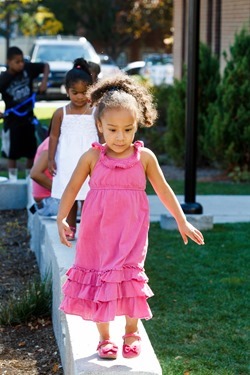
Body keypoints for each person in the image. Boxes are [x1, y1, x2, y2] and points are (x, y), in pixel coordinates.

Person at [57, 72, 205, 360]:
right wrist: (62, 217)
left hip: (131, 233)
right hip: (96, 234)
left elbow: (163, 190)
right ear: (99, 125)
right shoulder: (92, 158)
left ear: (136, 126)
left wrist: (181, 219)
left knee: (129, 279)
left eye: (128, 129)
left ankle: (131, 332)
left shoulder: (144, 157)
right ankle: (104, 339)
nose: (120, 137)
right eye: (112, 129)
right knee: (100, 280)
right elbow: (71, 188)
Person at [48, 58, 100, 240]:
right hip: (68, 161)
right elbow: (53, 137)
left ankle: (87, 229)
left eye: (84, 92)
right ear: (67, 90)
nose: (79, 96)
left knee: (88, 197)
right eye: (74, 92)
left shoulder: (96, 112)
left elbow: (101, 137)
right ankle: (70, 228)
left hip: (90, 162)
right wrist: (50, 159)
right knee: (70, 197)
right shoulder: (60, 113)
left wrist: (104, 157)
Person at [0, 46, 49, 169]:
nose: (21, 64)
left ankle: (29, 179)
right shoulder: (3, 78)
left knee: (31, 152)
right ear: (8, 62)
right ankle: (13, 179)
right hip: (12, 121)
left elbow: (46, 66)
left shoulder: (28, 69)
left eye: (22, 61)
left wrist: (44, 82)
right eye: (17, 62)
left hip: (28, 118)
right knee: (12, 154)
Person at [30, 126, 60, 217]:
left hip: (48, 202)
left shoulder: (53, 141)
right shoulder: (51, 144)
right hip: (50, 203)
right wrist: (64, 192)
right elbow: (35, 174)